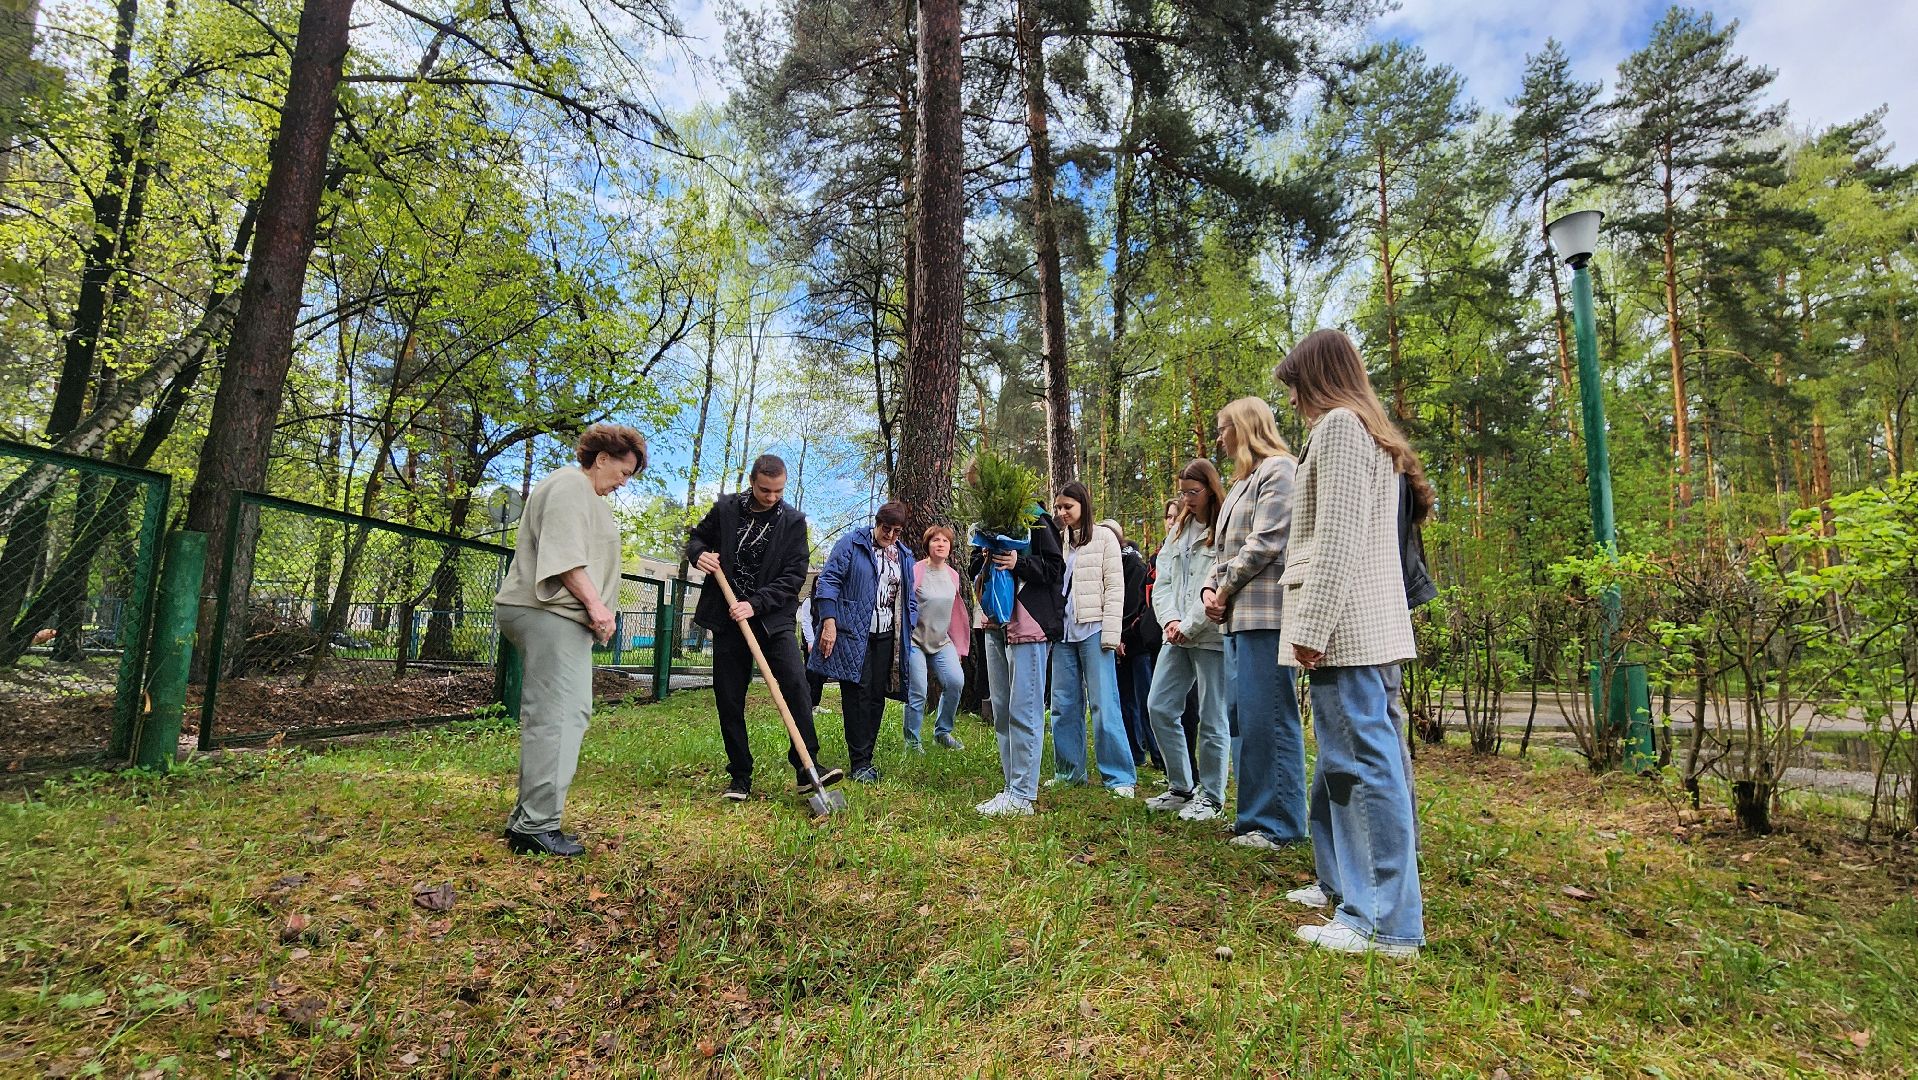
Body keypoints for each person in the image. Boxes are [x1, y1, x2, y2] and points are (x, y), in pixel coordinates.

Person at [1276, 328, 1430, 959]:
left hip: (1347, 632)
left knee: (1360, 772)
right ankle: (1372, 902)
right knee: (1373, 765)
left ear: (1319, 379)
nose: (1292, 403)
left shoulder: (1338, 428)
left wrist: (1310, 629)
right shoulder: (1369, 433)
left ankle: (1378, 921)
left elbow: (1337, 538)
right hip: (1369, 628)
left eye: (1295, 388)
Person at [494, 423, 646, 856]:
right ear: (601, 458)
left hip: (554, 616)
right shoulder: (569, 487)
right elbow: (564, 557)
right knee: (560, 715)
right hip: (550, 614)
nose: (622, 482)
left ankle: (528, 817)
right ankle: (537, 824)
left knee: (560, 712)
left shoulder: (578, 491)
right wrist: (597, 608)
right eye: (623, 471)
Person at [687, 455, 843, 802]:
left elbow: (793, 577)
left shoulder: (792, 522)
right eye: (764, 490)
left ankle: (807, 768)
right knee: (729, 697)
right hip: (728, 619)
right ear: (753, 482)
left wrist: (755, 603)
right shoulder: (726, 510)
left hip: (773, 620)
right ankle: (739, 776)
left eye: (778, 491)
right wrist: (699, 554)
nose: (772, 497)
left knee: (796, 687)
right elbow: (696, 539)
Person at [1201, 396, 1304, 851]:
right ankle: (1253, 817)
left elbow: (1266, 542)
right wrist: (1209, 589)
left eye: (1224, 428)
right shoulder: (1241, 482)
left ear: (1245, 427)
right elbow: (1221, 550)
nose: (1219, 437)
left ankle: (1280, 823)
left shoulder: (1279, 470)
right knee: (1242, 717)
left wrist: (1223, 590)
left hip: (1266, 615)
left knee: (1270, 717)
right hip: (1236, 619)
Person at [1144, 459, 1233, 822]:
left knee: (1213, 717)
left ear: (1211, 489)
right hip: (1175, 633)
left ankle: (1211, 796)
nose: (1187, 499)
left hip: (1209, 634)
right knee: (1160, 706)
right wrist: (1170, 620)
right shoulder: (1178, 530)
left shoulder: (1224, 526)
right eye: (1182, 493)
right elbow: (1162, 581)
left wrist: (1190, 623)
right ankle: (1181, 786)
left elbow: (1219, 581)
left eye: (1193, 492)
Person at [971, 489, 1064, 817]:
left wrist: (1017, 562)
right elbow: (973, 569)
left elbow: (1054, 568)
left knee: (1025, 711)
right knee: (1003, 710)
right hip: (996, 624)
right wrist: (984, 560)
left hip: (1029, 626)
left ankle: (1024, 795)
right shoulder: (985, 524)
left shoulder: (1037, 520)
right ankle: (1012, 787)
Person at [810, 501, 917, 783]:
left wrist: (910, 625)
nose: (891, 535)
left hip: (886, 637)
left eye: (897, 531)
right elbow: (828, 581)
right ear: (876, 522)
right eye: (886, 528)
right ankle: (859, 762)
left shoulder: (904, 556)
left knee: (875, 697)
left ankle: (866, 757)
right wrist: (829, 621)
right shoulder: (852, 544)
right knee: (857, 695)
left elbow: (910, 599)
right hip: (853, 633)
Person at [1048, 483, 1137, 797]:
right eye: (1058, 507)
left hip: (1094, 631)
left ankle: (1119, 777)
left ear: (1083, 505)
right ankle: (1069, 771)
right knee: (1063, 705)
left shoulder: (1104, 538)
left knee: (1104, 704)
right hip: (1063, 634)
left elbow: (1115, 589)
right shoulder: (1057, 541)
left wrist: (1112, 634)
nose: (1062, 513)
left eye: (1068, 507)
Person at [903, 523, 971, 752]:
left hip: (942, 642)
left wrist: (958, 646)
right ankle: (912, 742)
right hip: (915, 641)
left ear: (950, 546)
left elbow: (956, 613)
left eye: (945, 541)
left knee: (955, 681)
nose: (940, 544)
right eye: (935, 540)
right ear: (927, 545)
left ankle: (942, 732)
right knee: (918, 691)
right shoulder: (916, 571)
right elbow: (905, 606)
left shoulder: (953, 575)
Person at [1109, 520, 1165, 772]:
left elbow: (1135, 605)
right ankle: (1134, 751)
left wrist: (1123, 637)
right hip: (1117, 641)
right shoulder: (1110, 564)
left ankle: (1158, 753)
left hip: (1137, 641)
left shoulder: (1133, 563)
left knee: (1146, 699)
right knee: (1125, 699)